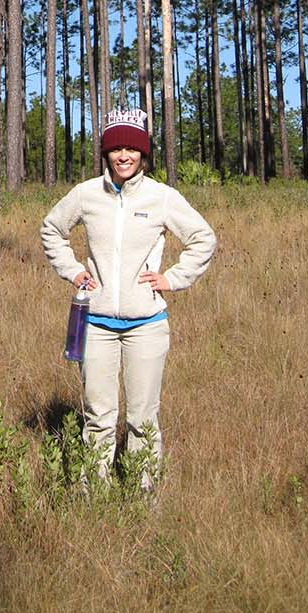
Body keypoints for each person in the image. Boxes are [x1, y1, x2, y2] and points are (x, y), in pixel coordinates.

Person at [40, 106, 216, 491]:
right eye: (116, 148)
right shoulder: (86, 194)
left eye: (132, 148)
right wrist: (73, 271)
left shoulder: (162, 197)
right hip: (97, 325)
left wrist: (172, 279)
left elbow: (204, 238)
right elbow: (52, 229)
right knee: (98, 417)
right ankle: (93, 496)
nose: (124, 156)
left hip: (147, 327)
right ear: (105, 152)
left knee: (142, 418)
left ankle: (143, 495)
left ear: (143, 153)